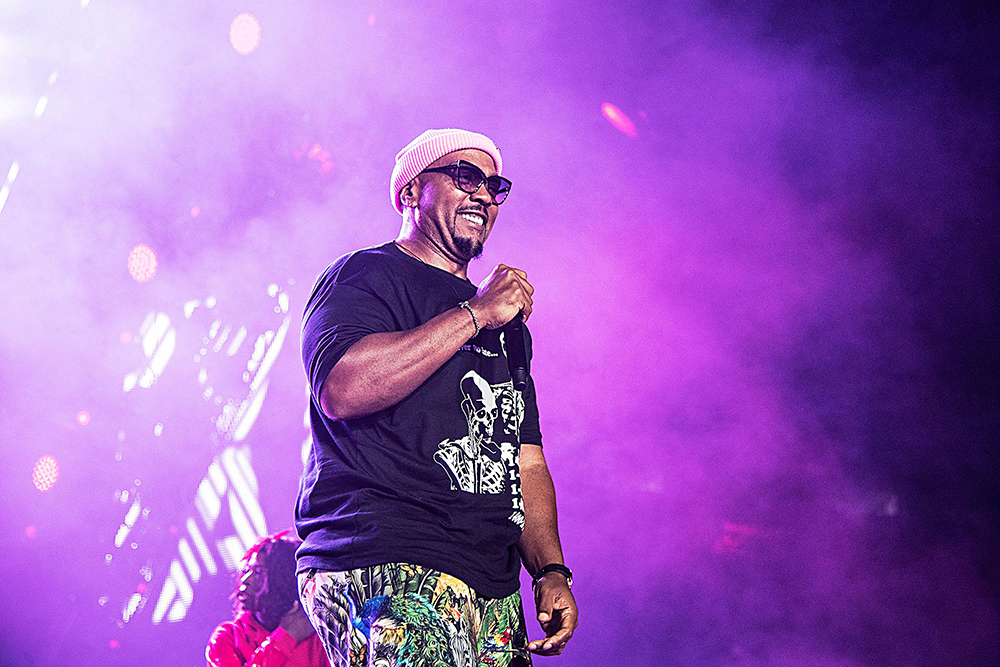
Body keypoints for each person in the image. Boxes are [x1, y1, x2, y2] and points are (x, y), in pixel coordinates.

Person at [296, 128, 578, 667]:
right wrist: (476, 315)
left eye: (495, 186)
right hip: (387, 550)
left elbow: (525, 457)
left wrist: (549, 570)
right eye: (465, 176)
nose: (483, 195)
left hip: (490, 580)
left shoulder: (506, 322)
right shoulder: (368, 274)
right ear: (410, 194)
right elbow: (343, 387)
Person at [206, 531, 330, 667]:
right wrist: (286, 636)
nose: (245, 580)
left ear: (282, 580)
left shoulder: (315, 634)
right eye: (246, 570)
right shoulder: (227, 637)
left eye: (258, 572)